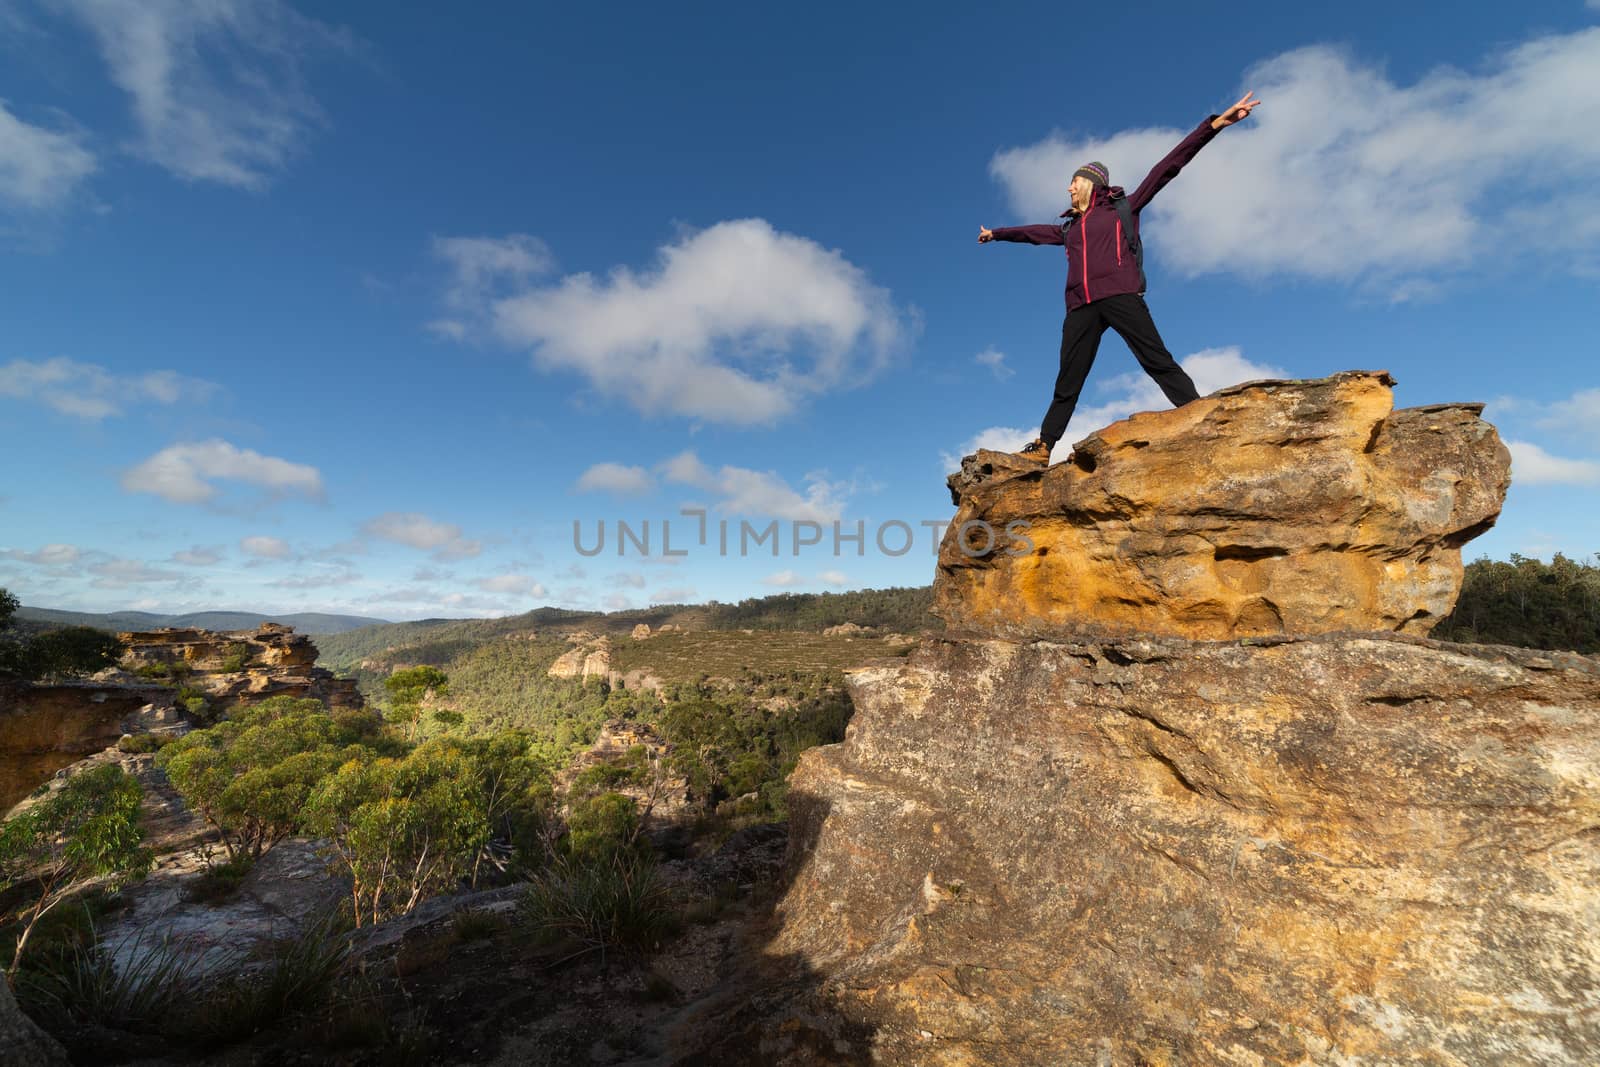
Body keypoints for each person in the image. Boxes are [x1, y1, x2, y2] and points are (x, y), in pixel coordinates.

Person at [978, 91, 1262, 465]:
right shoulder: (1069, 229)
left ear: (1091, 183)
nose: (1068, 188)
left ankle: (1199, 415)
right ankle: (1044, 446)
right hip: (1081, 306)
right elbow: (1031, 233)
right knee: (1068, 381)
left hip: (1120, 295)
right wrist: (997, 233)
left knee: (1156, 360)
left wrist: (1214, 126)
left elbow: (1167, 167)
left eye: (1073, 181)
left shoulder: (1120, 209)